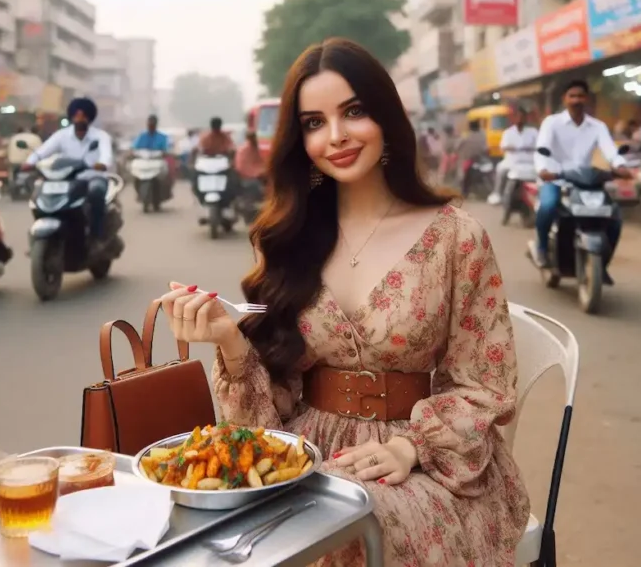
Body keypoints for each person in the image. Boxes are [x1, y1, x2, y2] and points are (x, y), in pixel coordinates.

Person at [156, 38, 529, 567]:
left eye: (353, 112)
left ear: (386, 117)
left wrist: (412, 448)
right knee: (217, 532)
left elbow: (484, 382)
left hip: (424, 464)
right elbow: (268, 414)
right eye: (313, 122)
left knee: (344, 530)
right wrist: (228, 339)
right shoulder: (289, 239)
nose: (336, 137)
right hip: (306, 455)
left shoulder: (456, 239)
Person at [533, 79, 631, 276]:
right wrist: (543, 170)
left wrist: (620, 166)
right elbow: (541, 150)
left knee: (614, 216)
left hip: (586, 182)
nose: (576, 100)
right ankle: (542, 247)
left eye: (580, 96)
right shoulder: (551, 123)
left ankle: (602, 263)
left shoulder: (598, 126)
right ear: (565, 99)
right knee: (548, 206)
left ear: (587, 99)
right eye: (572, 96)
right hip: (556, 179)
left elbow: (610, 151)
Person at [23, 97, 114, 254]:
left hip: (92, 177)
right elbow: (43, 151)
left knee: (96, 192)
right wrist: (30, 162)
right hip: (68, 179)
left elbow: (106, 156)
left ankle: (96, 237)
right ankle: (40, 238)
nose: (80, 119)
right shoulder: (61, 135)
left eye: (83, 115)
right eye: (76, 115)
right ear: (71, 117)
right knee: (41, 193)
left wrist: (102, 164)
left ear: (89, 117)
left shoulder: (100, 136)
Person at [488, 107, 538, 205]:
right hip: (511, 163)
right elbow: (503, 147)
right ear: (514, 118)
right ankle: (497, 193)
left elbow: (539, 146)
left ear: (526, 118)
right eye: (518, 117)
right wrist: (518, 147)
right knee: (500, 169)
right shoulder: (508, 132)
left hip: (529, 163)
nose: (520, 119)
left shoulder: (533, 132)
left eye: (522, 117)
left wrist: (524, 148)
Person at [455, 119, 488, 197]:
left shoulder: (466, 136)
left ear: (470, 127)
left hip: (468, 159)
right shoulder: (483, 135)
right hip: (481, 159)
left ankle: (464, 192)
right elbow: (486, 148)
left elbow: (457, 146)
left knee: (462, 175)